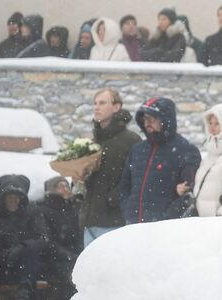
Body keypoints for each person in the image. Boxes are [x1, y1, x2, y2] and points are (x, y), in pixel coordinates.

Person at [121, 97, 201, 223]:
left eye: (152, 118)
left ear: (165, 120)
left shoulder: (186, 150)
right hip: (133, 224)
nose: (147, 123)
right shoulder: (138, 150)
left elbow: (188, 191)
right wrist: (128, 209)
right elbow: (125, 185)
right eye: (144, 118)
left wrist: (167, 216)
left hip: (165, 227)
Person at [81, 89, 140, 245]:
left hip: (115, 220)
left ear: (116, 107)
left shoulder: (131, 140)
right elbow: (85, 180)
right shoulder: (91, 141)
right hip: (89, 219)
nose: (96, 107)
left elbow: (137, 178)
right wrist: (78, 179)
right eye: (95, 103)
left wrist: (114, 198)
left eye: (102, 103)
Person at [0, 174, 48, 299]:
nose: (13, 201)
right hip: (2, 262)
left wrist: (21, 247)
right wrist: (6, 253)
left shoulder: (32, 212)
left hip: (27, 263)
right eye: (9, 197)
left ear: (21, 199)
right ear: (3, 199)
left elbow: (42, 238)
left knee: (31, 254)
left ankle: (25, 290)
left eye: (16, 197)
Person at [37, 177, 81, 300]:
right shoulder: (43, 210)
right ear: (51, 190)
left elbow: (79, 234)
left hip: (73, 255)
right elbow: (47, 240)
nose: (64, 189)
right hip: (53, 258)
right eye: (60, 186)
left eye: (66, 186)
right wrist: (69, 255)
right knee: (71, 277)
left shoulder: (73, 208)